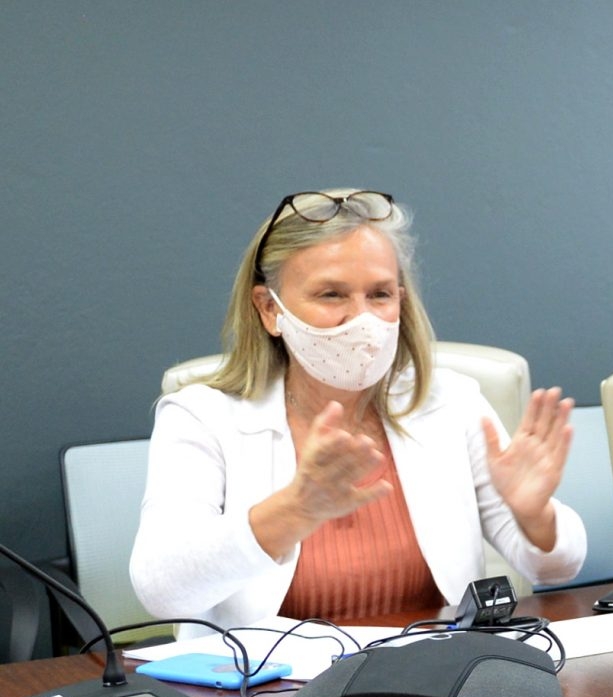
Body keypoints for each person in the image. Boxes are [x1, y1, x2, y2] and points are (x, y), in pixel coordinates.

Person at [132, 189, 586, 633]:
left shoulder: (451, 403)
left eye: (380, 294)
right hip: (269, 693)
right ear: (270, 309)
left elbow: (558, 567)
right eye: (331, 294)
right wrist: (293, 510)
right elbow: (162, 591)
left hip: (436, 677)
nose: (362, 319)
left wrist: (534, 514)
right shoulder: (201, 417)